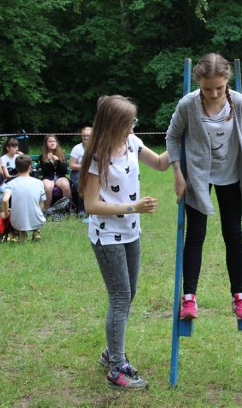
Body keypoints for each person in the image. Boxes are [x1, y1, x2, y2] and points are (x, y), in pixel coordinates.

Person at [79, 95, 170, 390]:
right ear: (115, 124)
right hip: (107, 236)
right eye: (130, 122)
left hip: (132, 232)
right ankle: (117, 368)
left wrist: (182, 140)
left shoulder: (132, 142)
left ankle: (111, 350)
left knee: (129, 294)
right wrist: (133, 207)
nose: (133, 126)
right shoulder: (96, 157)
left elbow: (159, 163)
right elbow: (91, 205)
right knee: (120, 297)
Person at [165, 52, 242, 321]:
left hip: (232, 175)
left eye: (220, 87)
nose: (214, 93)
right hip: (198, 176)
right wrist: (177, 172)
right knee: (195, 234)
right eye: (208, 89)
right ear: (199, 83)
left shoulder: (239, 103)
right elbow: (172, 136)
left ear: (227, 81)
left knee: (233, 233)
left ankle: (239, 298)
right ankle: (189, 299)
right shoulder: (188, 104)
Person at [0, 155, 46, 242]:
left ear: (16, 168)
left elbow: (5, 200)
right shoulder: (39, 183)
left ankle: (22, 234)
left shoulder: (11, 183)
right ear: (30, 167)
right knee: (36, 211)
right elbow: (42, 201)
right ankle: (36, 231)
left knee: (11, 213)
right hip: (37, 219)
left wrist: (6, 215)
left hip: (17, 222)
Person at [40, 134, 72, 210]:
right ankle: (47, 210)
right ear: (46, 144)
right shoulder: (43, 156)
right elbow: (45, 172)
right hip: (48, 177)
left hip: (60, 176)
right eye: (50, 141)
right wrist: (48, 161)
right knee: (47, 187)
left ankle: (67, 209)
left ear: (56, 143)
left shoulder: (62, 154)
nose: (52, 143)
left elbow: (64, 170)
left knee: (66, 185)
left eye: (54, 141)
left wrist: (58, 161)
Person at [69, 126, 92, 218]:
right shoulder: (77, 148)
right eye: (84, 136)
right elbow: (72, 165)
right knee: (83, 184)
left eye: (88, 136)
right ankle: (82, 210)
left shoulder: (97, 147)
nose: (86, 137)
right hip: (78, 173)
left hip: (93, 173)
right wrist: (85, 167)